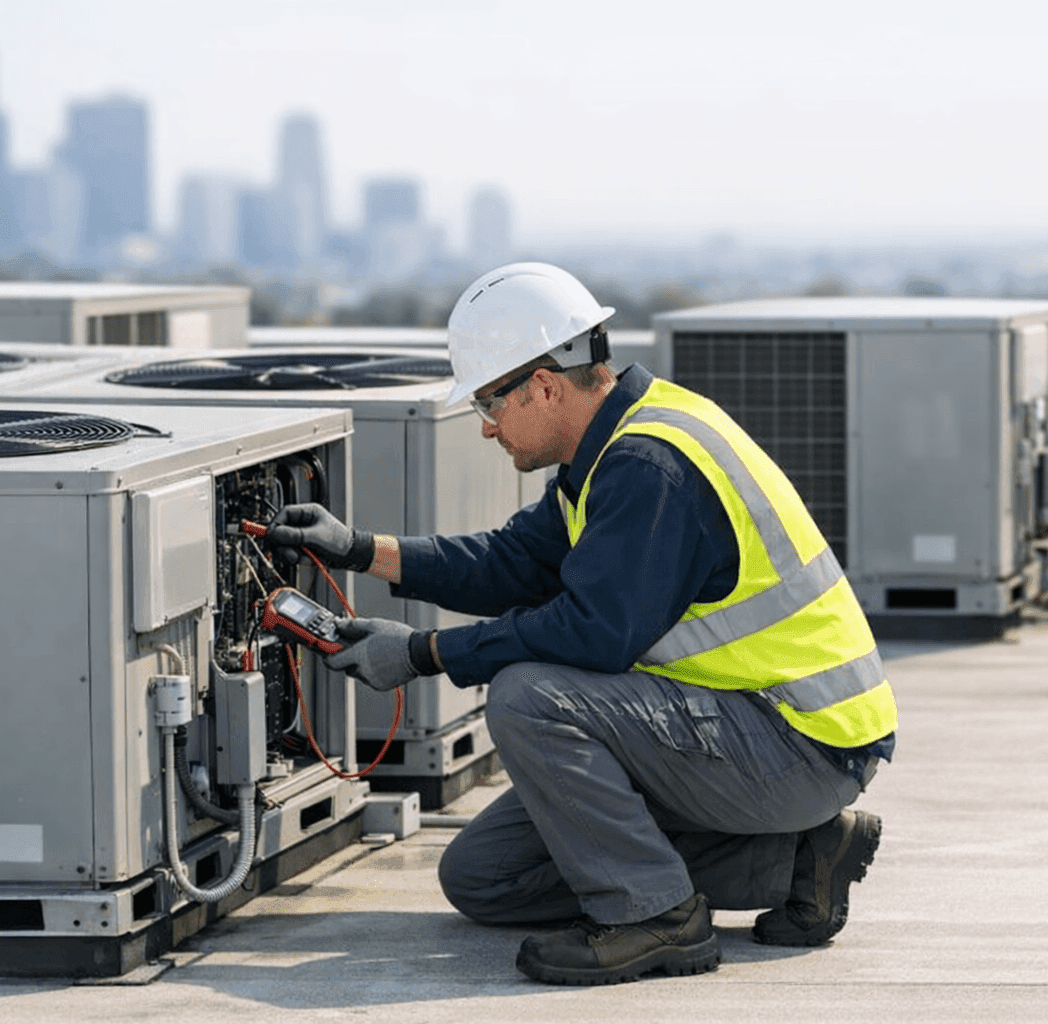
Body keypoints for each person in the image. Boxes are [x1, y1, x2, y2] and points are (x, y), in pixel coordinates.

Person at [265, 262, 896, 986]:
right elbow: (512, 564)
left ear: (543, 386)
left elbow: (592, 633)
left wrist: (422, 653)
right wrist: (358, 550)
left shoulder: (648, 466)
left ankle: (656, 918)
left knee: (528, 697)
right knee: (486, 877)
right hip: (750, 730)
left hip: (799, 742)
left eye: (490, 403)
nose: (486, 428)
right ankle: (800, 863)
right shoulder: (610, 448)